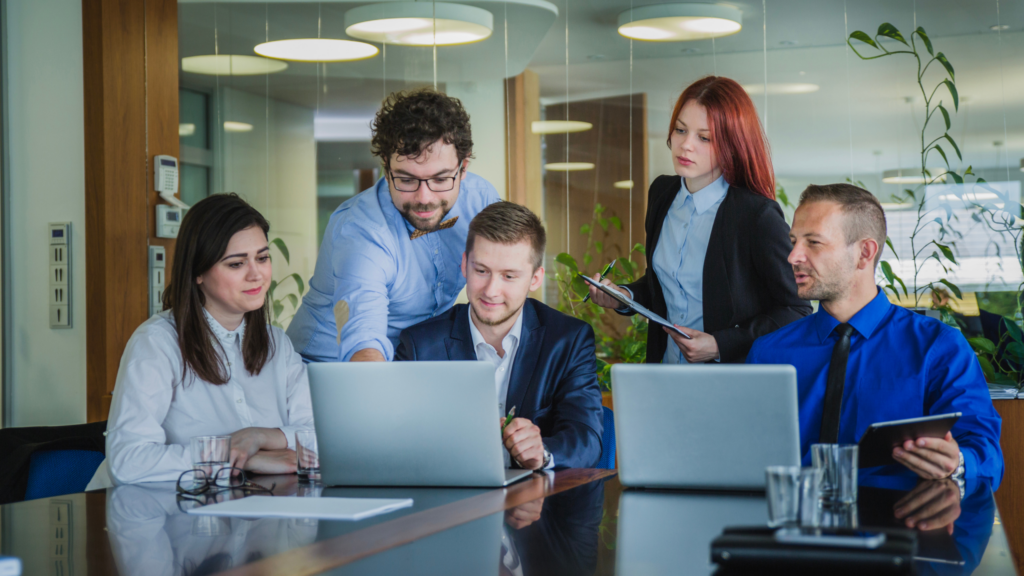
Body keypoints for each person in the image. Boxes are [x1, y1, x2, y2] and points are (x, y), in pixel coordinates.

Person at [747, 183, 1003, 486]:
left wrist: (957, 461)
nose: (793, 256)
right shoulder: (767, 353)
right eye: (794, 241)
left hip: (900, 523)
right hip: (792, 524)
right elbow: (743, 450)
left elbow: (986, 455)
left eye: (813, 242)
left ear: (864, 253)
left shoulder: (938, 347)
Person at [88, 193, 314, 488]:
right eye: (236, 264)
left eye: (262, 257)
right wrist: (235, 457)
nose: (256, 274)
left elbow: (321, 436)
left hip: (239, 509)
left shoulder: (276, 344)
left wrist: (259, 437)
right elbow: (128, 461)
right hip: (141, 517)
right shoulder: (156, 343)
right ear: (198, 273)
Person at [586, 76, 810, 364]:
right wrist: (624, 296)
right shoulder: (662, 194)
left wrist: (721, 344)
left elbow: (796, 310)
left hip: (727, 385)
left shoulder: (755, 215)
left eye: (704, 137)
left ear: (732, 144)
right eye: (680, 130)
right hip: (666, 372)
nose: (685, 145)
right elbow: (667, 288)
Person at [287, 88, 501, 363]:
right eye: (407, 179)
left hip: (411, 362)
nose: (425, 198)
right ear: (386, 168)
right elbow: (364, 343)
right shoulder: (361, 230)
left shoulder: (480, 200)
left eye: (440, 179)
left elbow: (508, 279)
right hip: (325, 372)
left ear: (463, 168)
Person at [395, 202, 603, 470]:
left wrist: (543, 453)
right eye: (481, 271)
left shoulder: (568, 340)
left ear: (535, 279)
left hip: (537, 505)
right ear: (464, 265)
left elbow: (586, 438)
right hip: (449, 504)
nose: (491, 290)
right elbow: (398, 440)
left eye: (509, 276)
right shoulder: (418, 346)